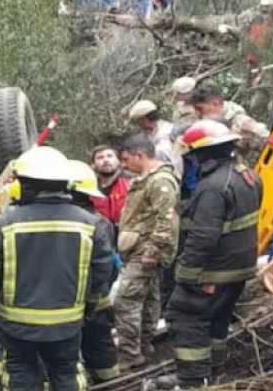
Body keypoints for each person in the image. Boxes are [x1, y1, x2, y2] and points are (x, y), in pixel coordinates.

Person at [0, 146, 115, 391]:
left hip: (17, 326)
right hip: (68, 324)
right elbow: (102, 272)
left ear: (28, 183)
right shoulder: (90, 224)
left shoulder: (7, 223)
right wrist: (90, 307)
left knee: (21, 374)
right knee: (65, 374)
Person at [157, 120, 261, 389]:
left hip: (213, 270)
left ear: (201, 154)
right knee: (217, 319)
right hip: (239, 268)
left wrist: (186, 274)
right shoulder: (247, 175)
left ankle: (191, 381)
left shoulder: (213, 186)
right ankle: (213, 374)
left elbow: (204, 236)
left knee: (186, 317)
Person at [114, 134, 180, 370]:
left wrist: (153, 251)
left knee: (126, 300)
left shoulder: (160, 181)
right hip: (139, 250)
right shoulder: (146, 180)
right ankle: (144, 347)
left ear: (139, 155)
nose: (123, 164)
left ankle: (130, 354)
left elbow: (167, 219)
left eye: (126, 159)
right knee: (148, 300)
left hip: (145, 252)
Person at [68, 160, 121, 383]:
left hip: (68, 300)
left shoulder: (62, 223)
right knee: (101, 345)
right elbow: (110, 263)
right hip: (98, 297)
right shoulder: (101, 222)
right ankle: (111, 383)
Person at [187, 85, 269, 161]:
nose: (197, 113)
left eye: (200, 108)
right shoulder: (208, 123)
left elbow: (269, 140)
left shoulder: (241, 122)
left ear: (215, 104)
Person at [128, 100, 183, 176]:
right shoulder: (146, 134)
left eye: (139, 121)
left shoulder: (169, 132)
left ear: (144, 119)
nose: (139, 125)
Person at [89, 145, 132, 226]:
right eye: (100, 158)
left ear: (119, 161)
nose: (105, 160)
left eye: (110, 156)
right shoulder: (89, 186)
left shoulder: (132, 182)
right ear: (93, 165)